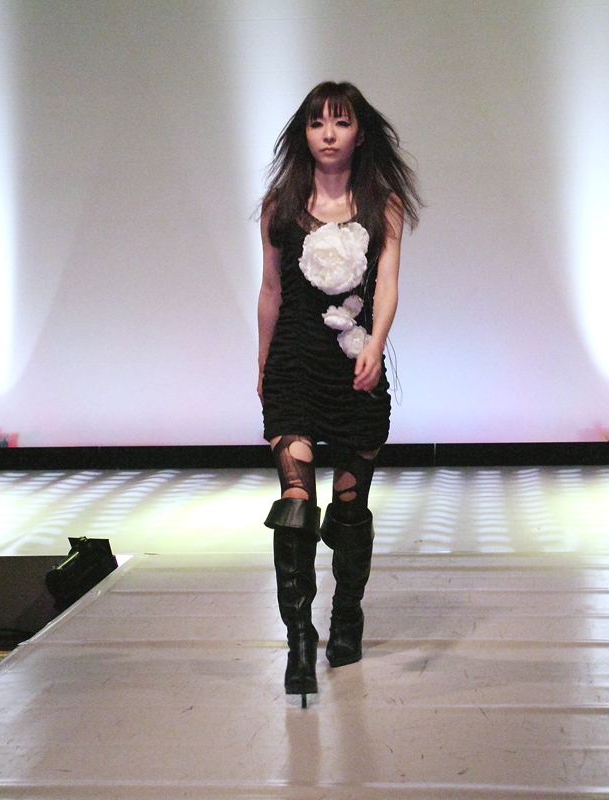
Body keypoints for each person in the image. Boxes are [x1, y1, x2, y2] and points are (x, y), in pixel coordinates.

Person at [257, 81, 421, 703]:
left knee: (350, 508)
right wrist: (263, 362)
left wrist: (377, 343)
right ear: (303, 133)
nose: (328, 134)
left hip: (354, 367)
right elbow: (271, 290)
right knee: (296, 499)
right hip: (295, 363)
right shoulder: (281, 205)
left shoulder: (382, 204)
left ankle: (346, 614)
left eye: (341, 122)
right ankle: (299, 638)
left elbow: (388, 284)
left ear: (359, 132)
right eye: (317, 123)